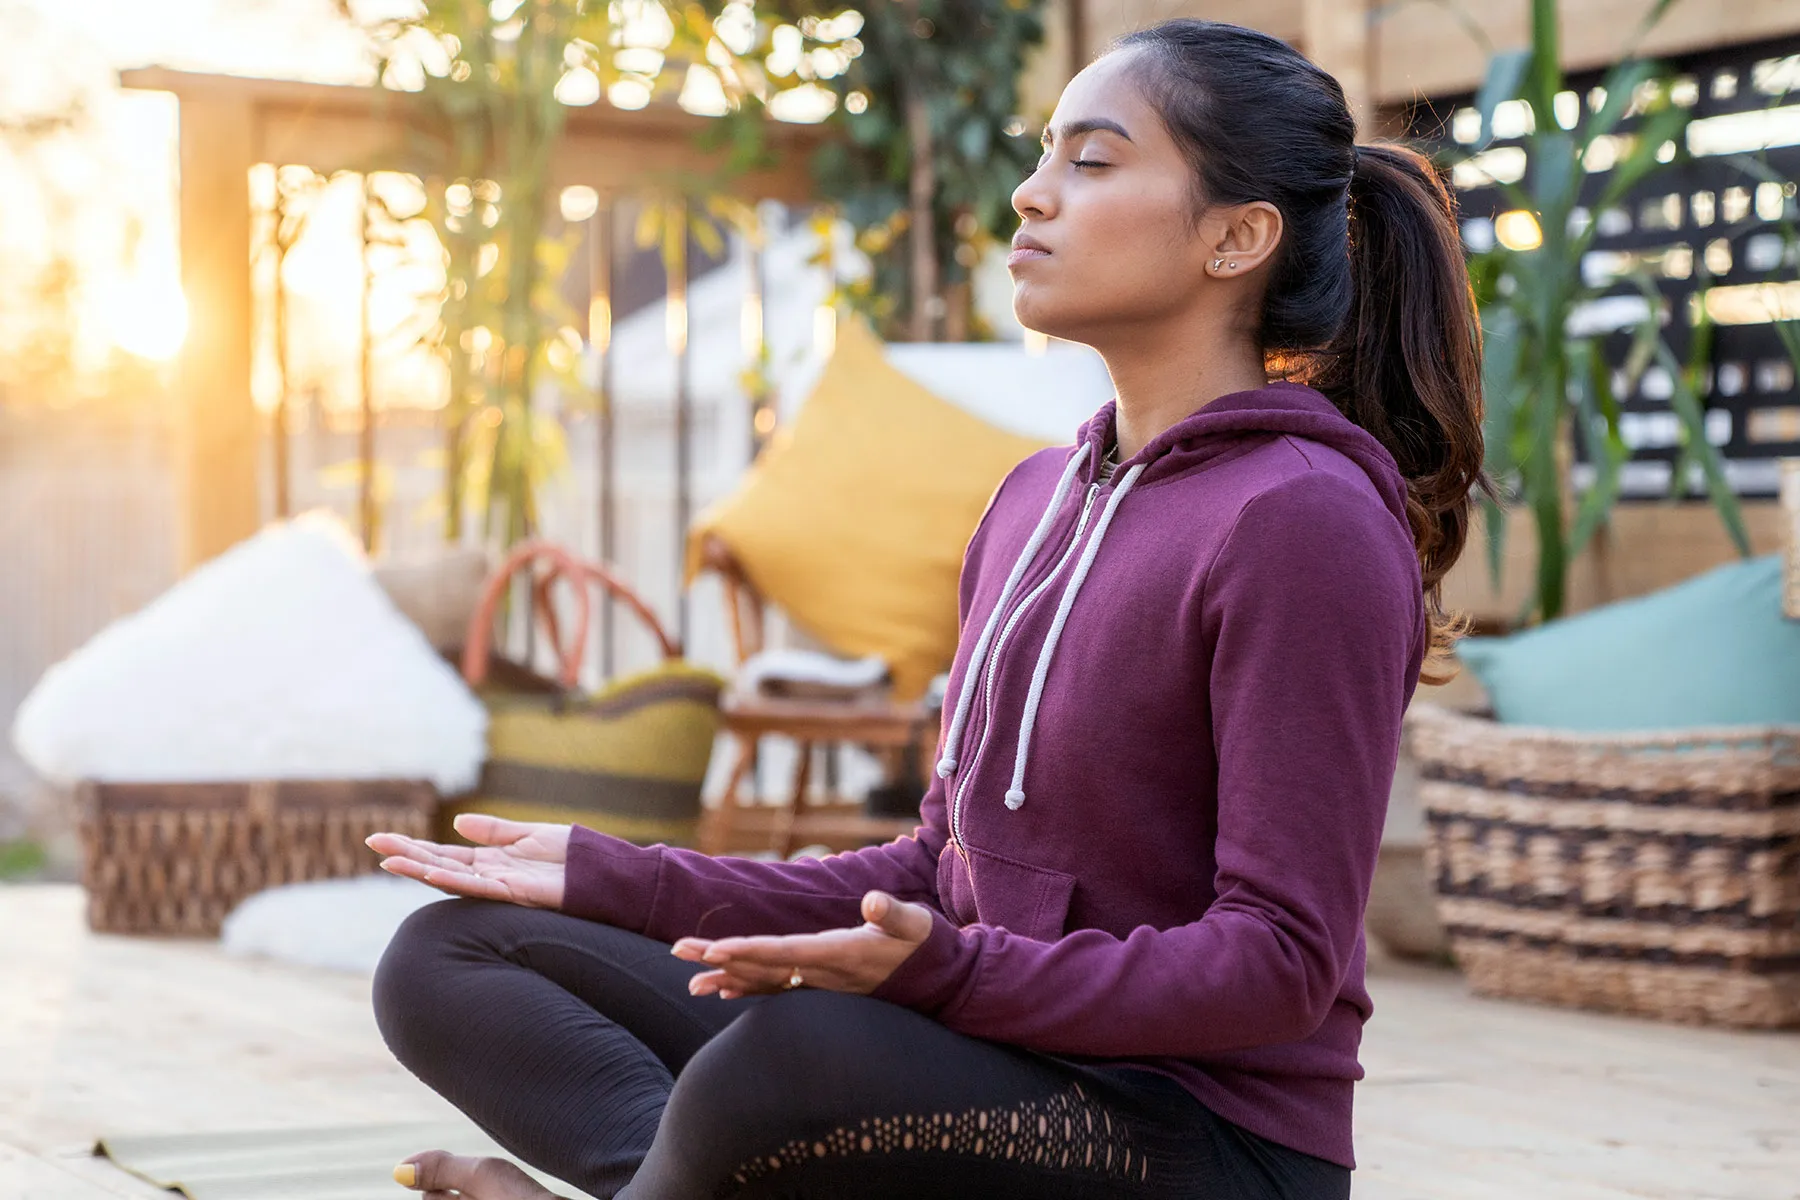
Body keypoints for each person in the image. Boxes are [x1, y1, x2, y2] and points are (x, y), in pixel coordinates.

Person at [366, 17, 1485, 1200]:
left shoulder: (1302, 519)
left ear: (1236, 237)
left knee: (797, 1056)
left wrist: (945, 977)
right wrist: (618, 878)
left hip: (1194, 1136)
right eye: (1043, 154)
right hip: (988, 1058)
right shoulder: (1033, 500)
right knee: (452, 954)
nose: (1030, 194)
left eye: (1090, 163)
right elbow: (930, 866)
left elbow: (1280, 962)